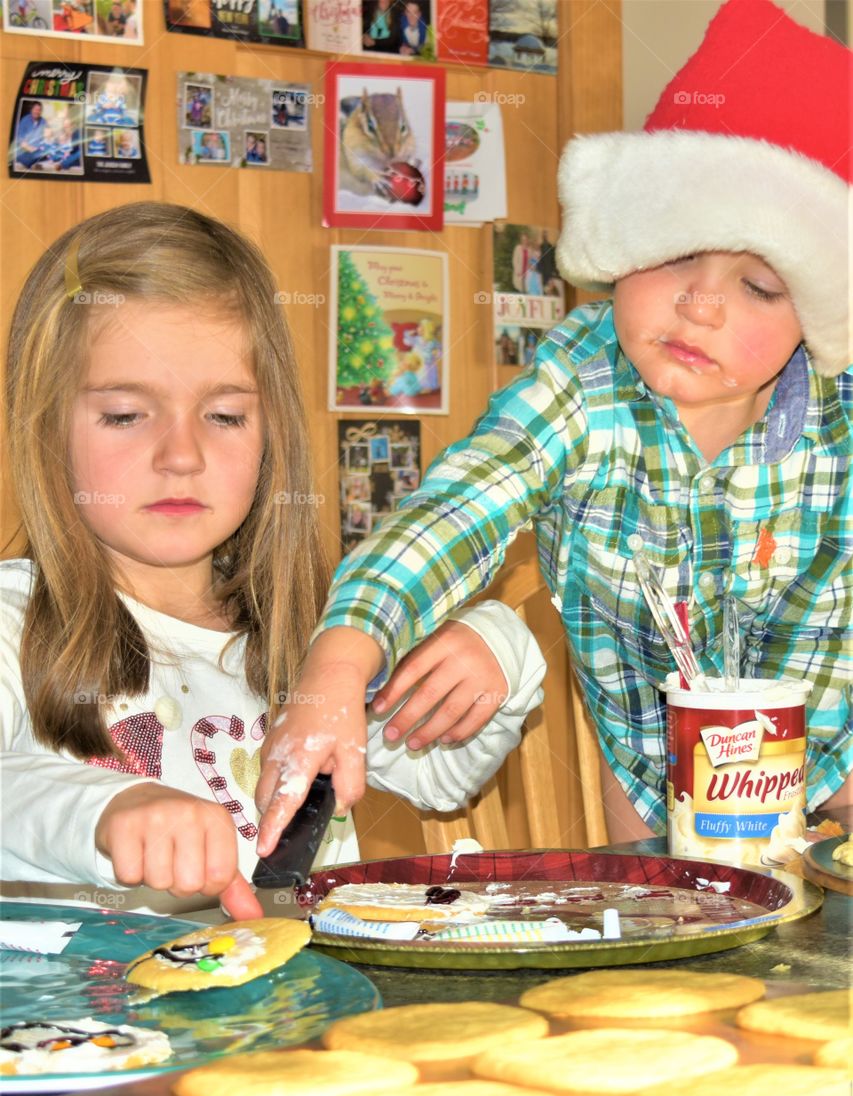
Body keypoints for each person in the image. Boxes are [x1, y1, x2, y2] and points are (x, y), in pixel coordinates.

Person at [254, 0, 851, 858]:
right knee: (678, 944)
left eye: (758, 287)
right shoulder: (580, 381)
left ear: (819, 316)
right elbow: (455, 511)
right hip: (653, 766)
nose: (700, 301)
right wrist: (339, 666)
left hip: (838, 737)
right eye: (673, 251)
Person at [1, 203, 546, 915]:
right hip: (87, 1024)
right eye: (127, 415)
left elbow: (441, 772)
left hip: (303, 1015)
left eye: (224, 416)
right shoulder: (16, 622)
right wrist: (105, 811)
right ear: (46, 428)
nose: (181, 456)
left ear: (269, 434)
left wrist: (498, 649)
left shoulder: (318, 636)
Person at [15, 101, 48, 170]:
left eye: (39, 110)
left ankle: (32, 162)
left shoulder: (43, 121)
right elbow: (21, 141)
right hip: (25, 150)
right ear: (31, 110)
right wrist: (32, 149)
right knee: (20, 155)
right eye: (35, 109)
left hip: (38, 150)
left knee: (47, 152)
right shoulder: (24, 120)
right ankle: (32, 163)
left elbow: (46, 138)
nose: (37, 112)